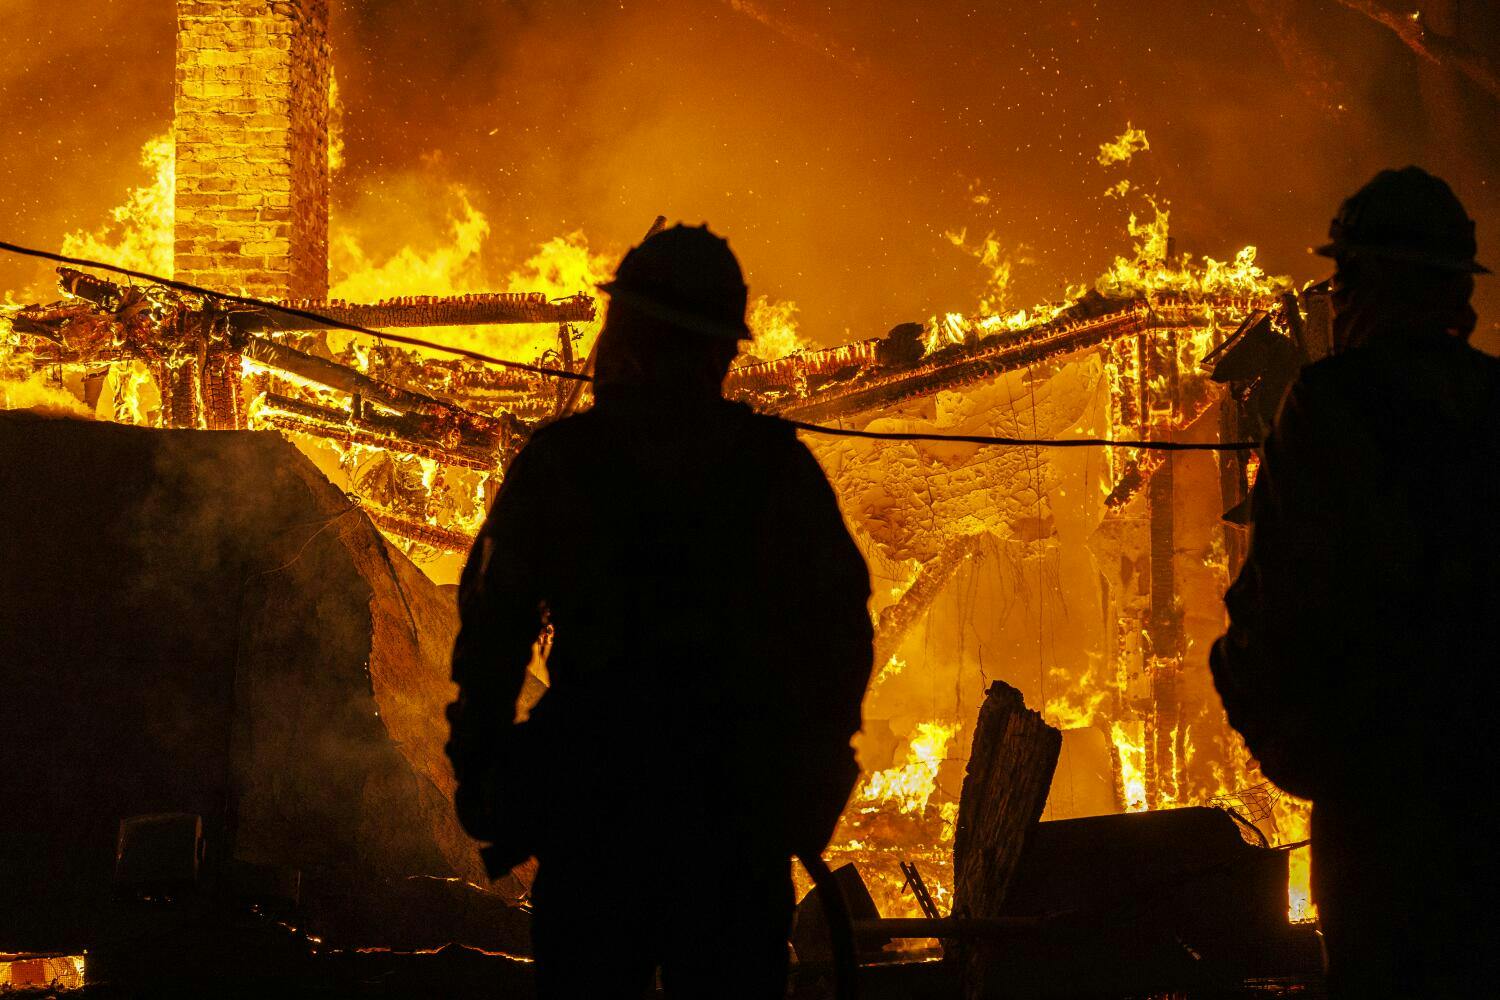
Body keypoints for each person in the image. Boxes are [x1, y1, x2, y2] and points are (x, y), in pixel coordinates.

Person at [445, 224, 873, 998]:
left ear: (629, 340)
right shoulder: (774, 471)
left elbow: (494, 622)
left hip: (599, 820)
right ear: (720, 355)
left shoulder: (566, 464)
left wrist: (481, 759)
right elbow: (839, 635)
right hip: (732, 828)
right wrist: (810, 772)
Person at [1210, 167, 1499, 997]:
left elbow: (1283, 602)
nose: (1334, 302)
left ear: (1370, 284)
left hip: (1386, 810)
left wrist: (1263, 706)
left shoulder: (1334, 405)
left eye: (1342, 281)